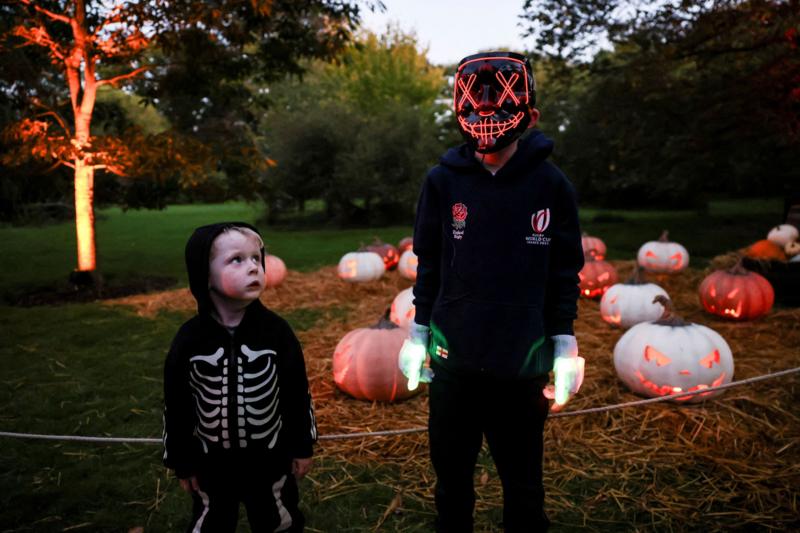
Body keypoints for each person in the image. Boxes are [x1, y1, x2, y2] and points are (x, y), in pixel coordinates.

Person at [399, 51, 586, 532]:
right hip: (453, 361)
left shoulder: (551, 184)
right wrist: (419, 329)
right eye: (476, 111)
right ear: (459, 114)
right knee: (452, 484)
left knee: (524, 488)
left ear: (530, 117)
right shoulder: (442, 181)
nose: (488, 121)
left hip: (522, 364)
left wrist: (563, 340)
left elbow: (564, 270)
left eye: (501, 110)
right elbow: (431, 261)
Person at [163, 222, 317, 532]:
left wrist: (302, 445)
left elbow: (297, 393)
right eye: (237, 260)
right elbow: (176, 403)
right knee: (211, 523)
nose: (253, 268)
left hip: (270, 461)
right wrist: (182, 460)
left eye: (256, 259)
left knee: (278, 521)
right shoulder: (190, 340)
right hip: (211, 464)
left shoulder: (276, 333)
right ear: (204, 275)